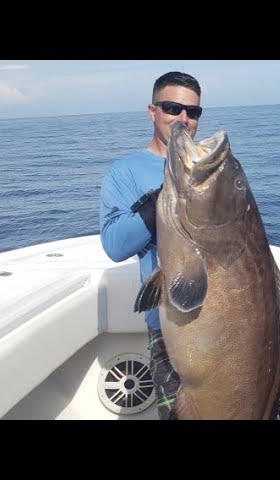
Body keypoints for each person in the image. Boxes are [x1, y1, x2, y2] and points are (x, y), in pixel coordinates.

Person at [99, 72, 203, 420]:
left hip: (222, 320)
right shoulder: (124, 172)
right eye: (173, 108)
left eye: (193, 111)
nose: (184, 119)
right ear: (152, 111)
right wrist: (159, 200)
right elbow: (115, 245)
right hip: (168, 325)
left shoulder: (210, 168)